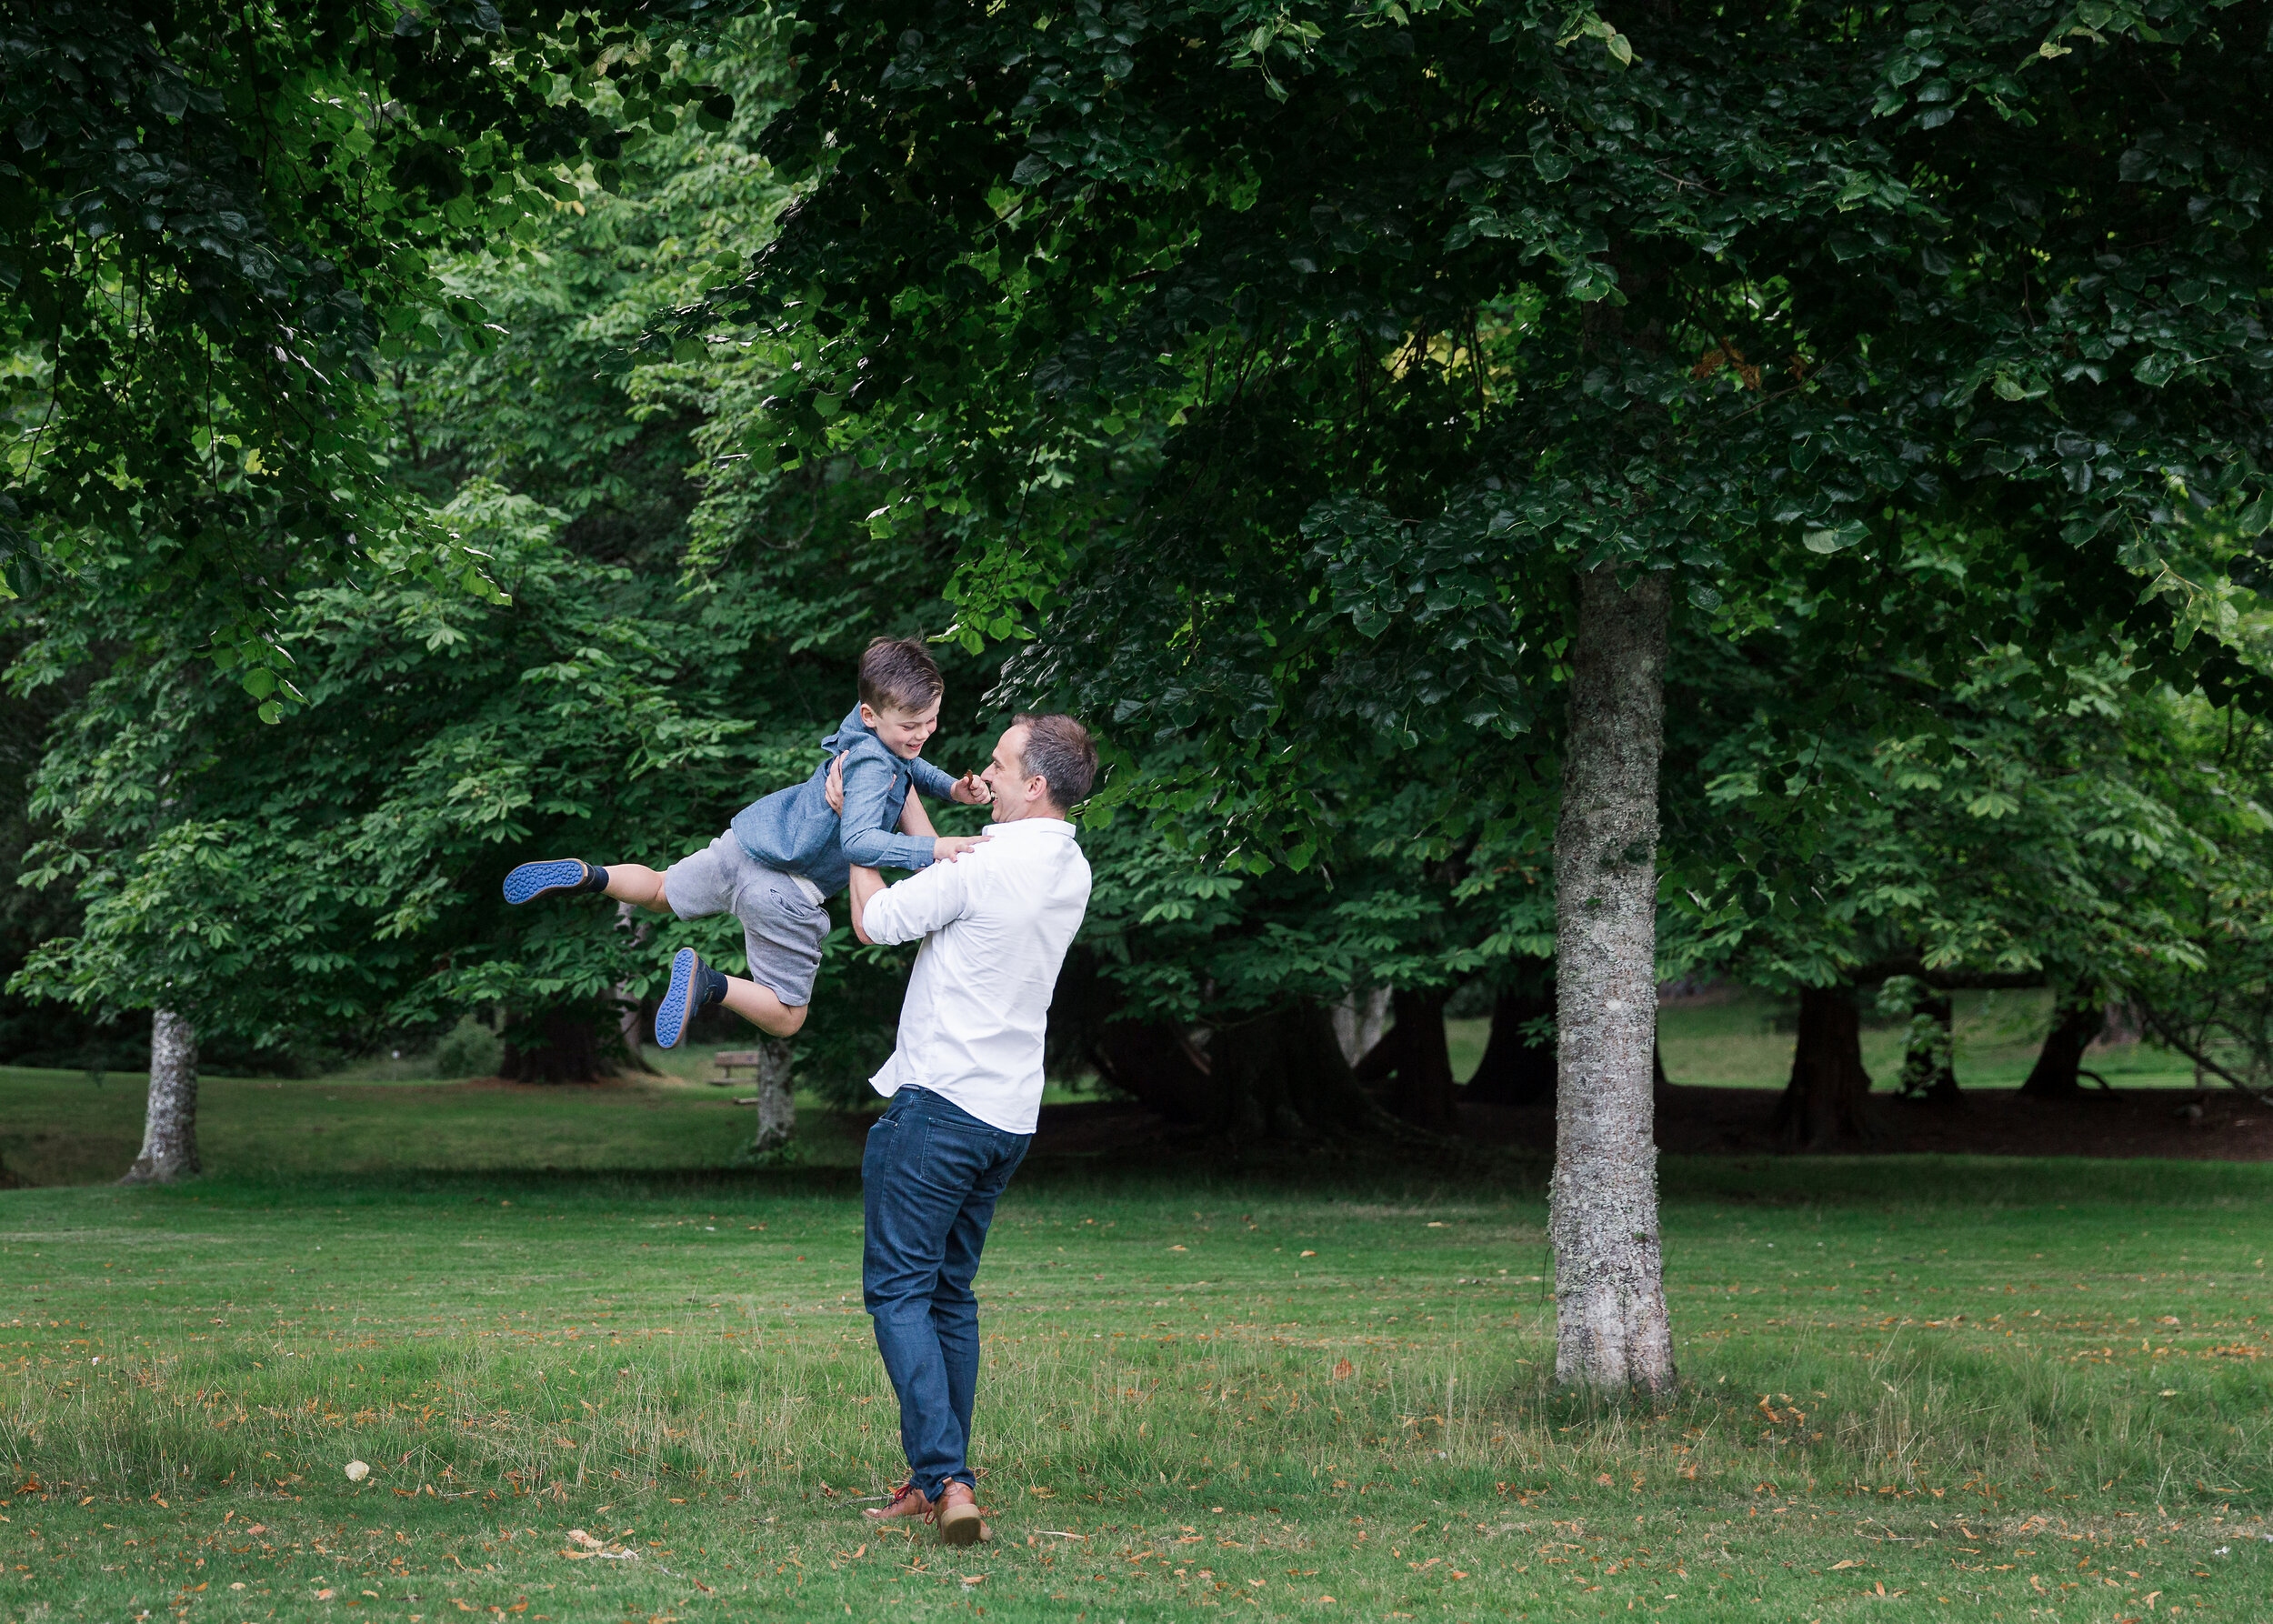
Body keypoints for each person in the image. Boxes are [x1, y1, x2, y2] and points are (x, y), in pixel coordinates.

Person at [837, 712, 1096, 1546]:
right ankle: (936, 1478)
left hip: (940, 1106)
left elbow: (875, 921)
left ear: (1037, 785)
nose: (983, 770)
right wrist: (920, 807)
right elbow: (954, 859)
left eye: (998, 763)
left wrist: (856, 835)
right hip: (1007, 1116)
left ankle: (946, 1476)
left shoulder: (987, 869)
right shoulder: (1068, 866)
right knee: (949, 1292)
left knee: (899, 1290)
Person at [497, 637, 990, 1048]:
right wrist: (934, 847)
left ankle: (591, 875)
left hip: (749, 844)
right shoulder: (876, 766)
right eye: (913, 725)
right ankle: (708, 984)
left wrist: (950, 787)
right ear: (871, 714)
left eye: (932, 720)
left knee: (660, 890)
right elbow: (860, 843)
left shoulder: (865, 731)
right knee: (788, 1015)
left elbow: (910, 765)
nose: (924, 732)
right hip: (786, 892)